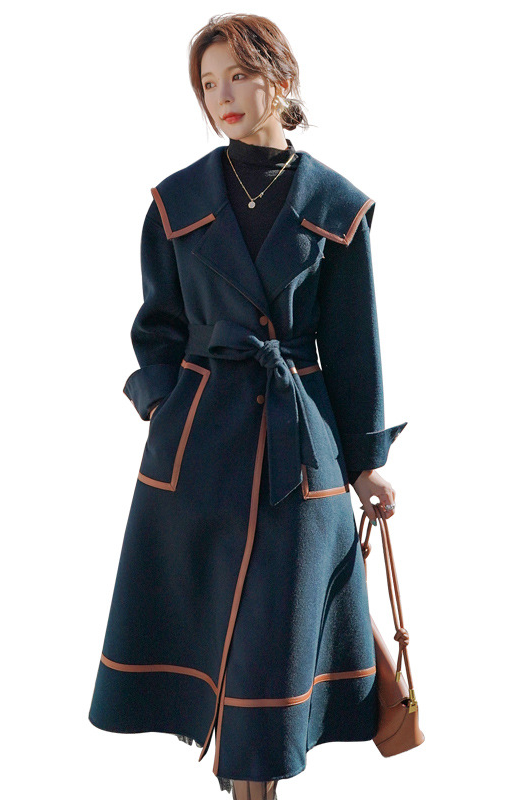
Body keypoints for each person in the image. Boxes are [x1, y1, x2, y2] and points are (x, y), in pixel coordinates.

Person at [89, 13, 407, 800]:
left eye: (238, 75)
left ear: (282, 79)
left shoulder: (338, 207)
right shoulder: (177, 202)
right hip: (196, 451)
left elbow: (355, 348)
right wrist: (164, 408)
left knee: (272, 649)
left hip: (301, 457)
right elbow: (156, 331)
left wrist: (366, 462)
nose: (222, 96)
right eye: (207, 83)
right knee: (212, 642)